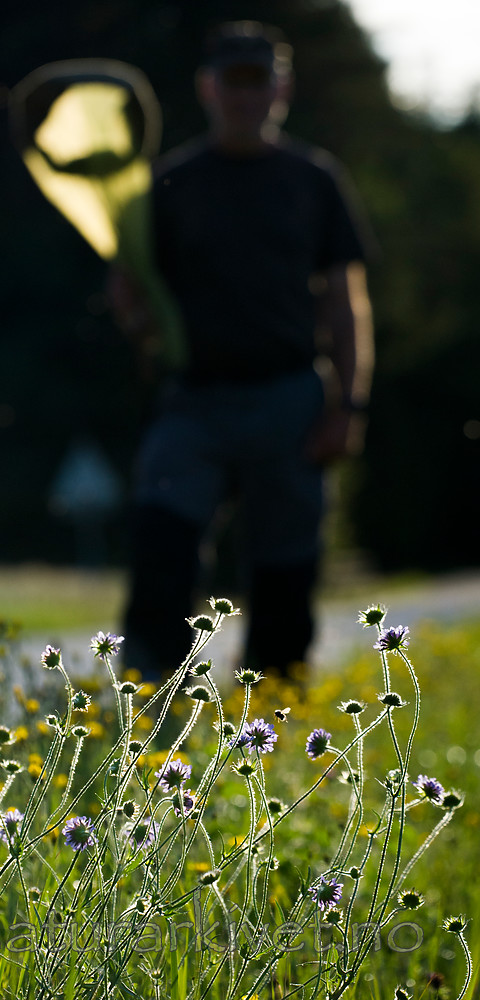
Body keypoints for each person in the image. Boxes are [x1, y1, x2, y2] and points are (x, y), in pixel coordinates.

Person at [110, 20, 374, 681]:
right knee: (160, 538)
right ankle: (152, 695)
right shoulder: (168, 184)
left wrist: (350, 403)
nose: (248, 95)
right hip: (194, 400)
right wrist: (130, 308)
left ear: (282, 87)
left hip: (289, 397)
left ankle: (278, 707)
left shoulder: (313, 181)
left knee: (285, 565)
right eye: (236, 80)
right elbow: (139, 305)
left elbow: (346, 300)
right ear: (209, 87)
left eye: (262, 79)